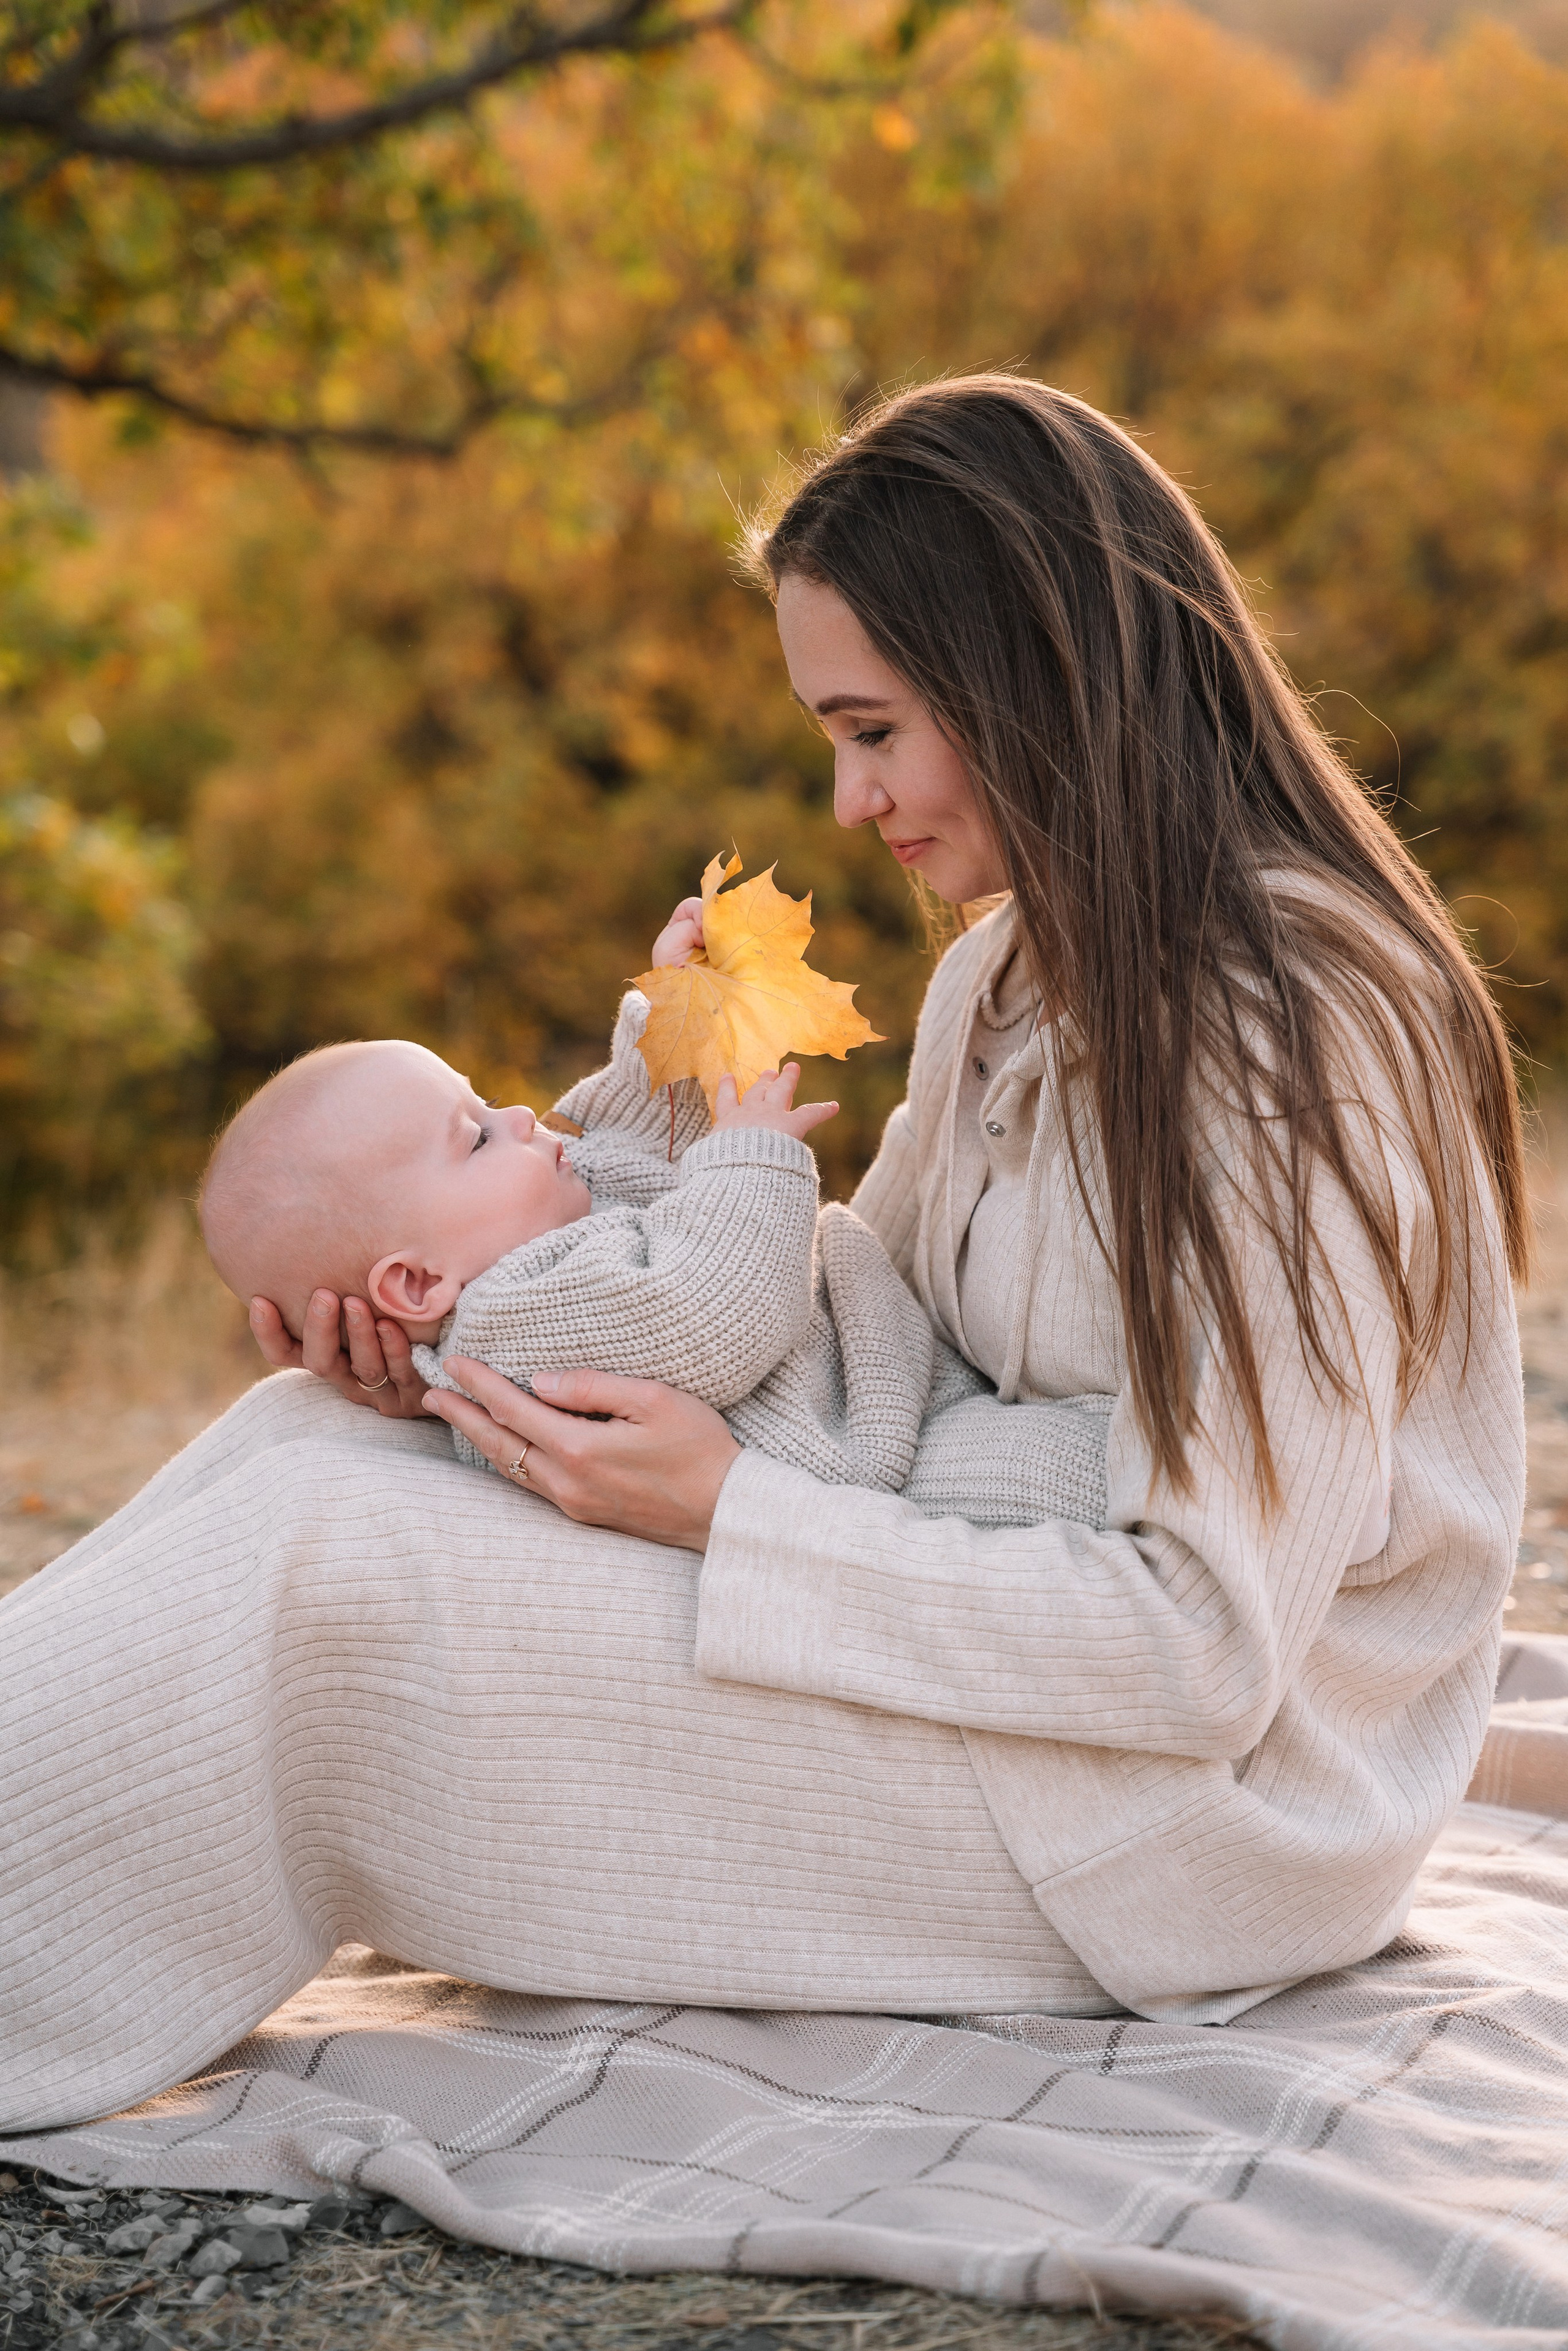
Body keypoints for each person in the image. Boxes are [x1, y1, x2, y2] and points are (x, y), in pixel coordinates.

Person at [0, 376, 1527, 2137]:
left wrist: (726, 1507)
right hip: (993, 1630)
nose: (848, 793)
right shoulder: (1010, 968)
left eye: (874, 729)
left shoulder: (1293, 1039)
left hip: (1186, 1821)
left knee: (329, 1578)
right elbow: (860, 1330)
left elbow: (1202, 1653)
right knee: (315, 1445)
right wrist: (476, 1366)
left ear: (1028, 674)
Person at [196, 999, 1109, 1524]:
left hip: (898, 1384)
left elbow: (632, 1138)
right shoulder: (514, 1316)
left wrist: (672, 1015)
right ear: (419, 1283)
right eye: (475, 1135)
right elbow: (710, 1317)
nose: (521, 1119)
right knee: (1101, 1476)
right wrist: (752, 1152)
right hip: (886, 1456)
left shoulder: (536, 1223)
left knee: (1114, 1450)